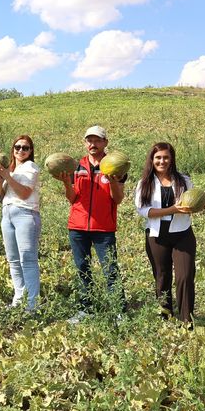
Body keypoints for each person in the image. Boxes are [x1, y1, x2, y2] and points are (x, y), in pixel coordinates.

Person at [56, 125, 126, 320]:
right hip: (77, 227)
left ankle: (118, 311)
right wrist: (65, 183)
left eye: (97, 140)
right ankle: (85, 310)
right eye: (89, 140)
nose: (92, 144)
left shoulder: (115, 165)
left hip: (104, 227)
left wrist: (112, 181)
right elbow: (72, 198)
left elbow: (118, 199)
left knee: (110, 269)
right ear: (85, 143)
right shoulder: (75, 167)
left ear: (105, 143)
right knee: (82, 269)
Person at [134, 142, 198, 324]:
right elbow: (143, 211)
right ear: (152, 160)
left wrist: (198, 206)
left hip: (182, 233)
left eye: (166, 157)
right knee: (162, 277)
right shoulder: (144, 183)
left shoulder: (184, 180)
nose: (162, 161)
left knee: (185, 276)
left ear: (172, 159)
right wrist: (172, 210)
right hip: (156, 235)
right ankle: (165, 315)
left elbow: (190, 204)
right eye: (158, 158)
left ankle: (187, 320)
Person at [0, 135, 42, 310]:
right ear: (13, 149)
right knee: (13, 260)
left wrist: (7, 176)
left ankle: (33, 304)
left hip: (25, 214)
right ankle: (19, 299)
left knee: (28, 259)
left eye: (25, 148)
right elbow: (2, 196)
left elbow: (25, 194)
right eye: (17, 147)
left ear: (31, 151)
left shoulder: (30, 167)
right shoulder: (11, 169)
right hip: (7, 214)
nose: (21, 150)